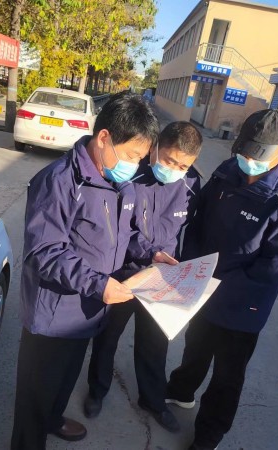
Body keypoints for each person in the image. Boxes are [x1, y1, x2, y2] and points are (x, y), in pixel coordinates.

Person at [11, 92, 174, 450]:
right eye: (131, 155)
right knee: (36, 393)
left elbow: (126, 232)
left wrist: (151, 253)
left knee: (66, 377)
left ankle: (53, 418)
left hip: (88, 309)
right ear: (103, 138)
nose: (134, 164)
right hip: (54, 314)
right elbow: (45, 251)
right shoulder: (59, 181)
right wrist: (99, 285)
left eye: (140, 158)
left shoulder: (118, 181)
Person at [165, 109, 278, 450]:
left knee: (228, 373)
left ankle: (210, 432)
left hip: (243, 302)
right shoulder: (227, 171)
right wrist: (191, 262)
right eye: (245, 153)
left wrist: (225, 284)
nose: (249, 162)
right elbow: (198, 218)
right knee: (195, 347)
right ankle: (180, 391)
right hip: (203, 285)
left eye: (258, 156)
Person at [84, 121, 203, 433]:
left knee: (155, 343)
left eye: (182, 165)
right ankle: (97, 390)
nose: (173, 169)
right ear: (155, 147)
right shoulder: (129, 173)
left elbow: (188, 231)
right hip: (123, 272)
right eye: (168, 160)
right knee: (107, 336)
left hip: (163, 276)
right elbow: (119, 229)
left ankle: (153, 400)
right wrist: (149, 253)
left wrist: (185, 269)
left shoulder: (192, 183)